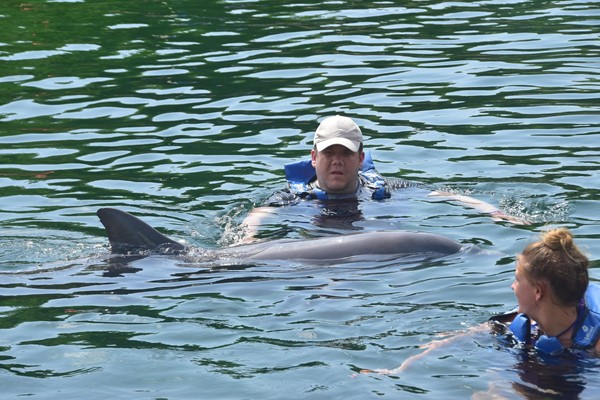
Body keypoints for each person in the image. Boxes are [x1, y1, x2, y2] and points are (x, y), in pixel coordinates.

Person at [243, 115, 527, 241]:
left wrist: (492, 211)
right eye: (330, 153)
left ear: (361, 158)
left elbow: (442, 194)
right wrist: (248, 237)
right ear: (315, 157)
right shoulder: (293, 198)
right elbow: (259, 214)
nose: (338, 161)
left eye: (346, 153)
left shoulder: (384, 189)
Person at [368, 227, 600, 376]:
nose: (512, 286)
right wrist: (401, 368)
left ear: (538, 292)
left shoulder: (595, 344)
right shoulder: (525, 323)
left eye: (518, 279)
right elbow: (467, 336)